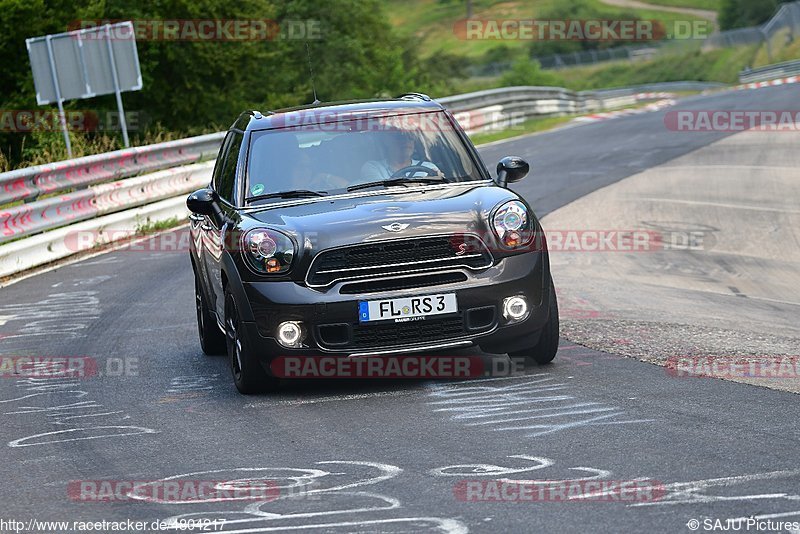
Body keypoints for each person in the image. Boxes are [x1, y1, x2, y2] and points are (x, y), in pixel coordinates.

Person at [360, 129, 443, 181]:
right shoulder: (373, 167)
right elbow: (380, 191)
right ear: (386, 142)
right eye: (400, 137)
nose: (406, 142)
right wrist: (424, 182)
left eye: (410, 137)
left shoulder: (430, 167)